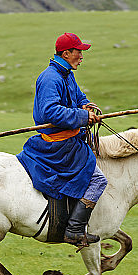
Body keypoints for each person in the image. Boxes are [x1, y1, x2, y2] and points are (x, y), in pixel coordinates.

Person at [16, 33, 107, 248]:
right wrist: (83, 117)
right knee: (98, 180)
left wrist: (86, 106)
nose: (82, 56)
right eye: (79, 51)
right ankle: (74, 230)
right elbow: (50, 112)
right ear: (66, 53)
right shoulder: (51, 78)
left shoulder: (66, 74)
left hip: (71, 140)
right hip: (59, 144)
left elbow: (79, 97)